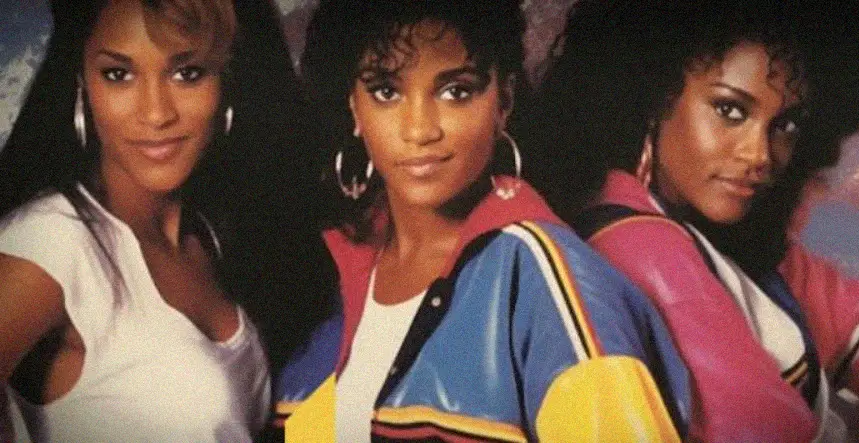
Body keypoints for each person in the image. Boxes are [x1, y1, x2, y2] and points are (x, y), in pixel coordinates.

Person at [273, 0, 695, 441]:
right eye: (386, 91)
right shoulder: (330, 269)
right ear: (354, 109)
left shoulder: (552, 284)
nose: (420, 129)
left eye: (455, 91)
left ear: (503, 103)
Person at [529, 0, 859, 441]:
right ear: (653, 96)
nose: (759, 155)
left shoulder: (733, 232)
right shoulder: (638, 243)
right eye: (730, 111)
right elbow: (755, 429)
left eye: (785, 125)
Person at [0, 0, 327, 440]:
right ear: (82, 83)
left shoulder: (208, 238)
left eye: (187, 73)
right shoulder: (51, 241)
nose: (156, 113)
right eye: (118, 74)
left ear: (225, 82)